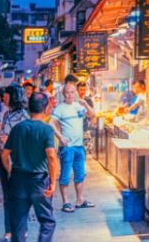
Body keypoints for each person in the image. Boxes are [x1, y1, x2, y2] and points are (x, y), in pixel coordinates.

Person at [1, 92, 59, 242]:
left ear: (28, 108)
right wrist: (52, 183)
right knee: (47, 221)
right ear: (47, 109)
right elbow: (51, 157)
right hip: (39, 181)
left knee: (18, 222)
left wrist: (10, 171)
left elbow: (4, 155)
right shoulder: (46, 129)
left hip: (18, 179)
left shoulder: (18, 128)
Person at [50, 81, 93, 212]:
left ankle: (80, 200)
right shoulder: (59, 108)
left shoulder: (79, 106)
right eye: (67, 93)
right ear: (63, 94)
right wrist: (60, 137)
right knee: (65, 175)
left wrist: (85, 104)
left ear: (75, 93)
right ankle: (66, 202)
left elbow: (92, 115)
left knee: (80, 174)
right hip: (67, 148)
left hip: (79, 146)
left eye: (72, 92)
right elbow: (51, 123)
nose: (69, 95)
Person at [0, 85, 30, 237]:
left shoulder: (23, 115)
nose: (4, 97)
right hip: (4, 159)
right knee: (8, 197)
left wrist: (7, 139)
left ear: (14, 96)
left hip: (17, 161)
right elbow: (3, 133)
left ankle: (21, 229)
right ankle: (9, 231)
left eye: (7, 95)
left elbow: (25, 138)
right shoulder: (7, 114)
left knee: (18, 197)